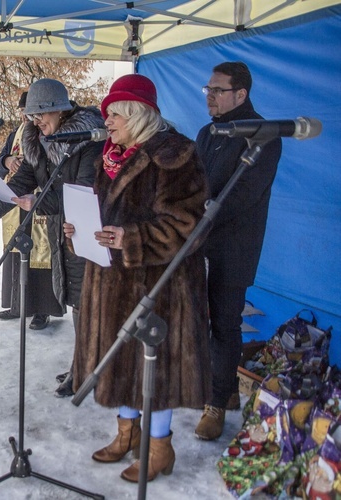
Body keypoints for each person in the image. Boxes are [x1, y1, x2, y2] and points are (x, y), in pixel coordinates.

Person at [65, 74, 211, 482]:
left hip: (158, 286)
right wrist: (81, 228)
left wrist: (133, 237)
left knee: (155, 371)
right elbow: (103, 212)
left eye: (115, 114)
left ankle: (159, 447)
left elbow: (190, 225)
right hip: (112, 280)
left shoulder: (175, 155)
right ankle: (126, 435)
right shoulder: (109, 156)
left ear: (137, 114)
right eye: (107, 114)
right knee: (120, 362)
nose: (107, 121)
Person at [0, 78, 105, 397]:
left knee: (86, 302)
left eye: (40, 116)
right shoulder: (38, 137)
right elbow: (22, 180)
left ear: (60, 110)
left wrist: (38, 202)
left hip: (86, 230)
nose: (35, 122)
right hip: (62, 231)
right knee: (77, 299)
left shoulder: (88, 139)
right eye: (32, 117)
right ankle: (84, 364)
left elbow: (84, 191)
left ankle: (89, 369)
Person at [194, 62, 282, 441]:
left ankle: (216, 405)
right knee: (202, 319)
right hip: (199, 241)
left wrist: (203, 211)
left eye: (217, 89)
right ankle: (225, 389)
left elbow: (244, 196)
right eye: (207, 89)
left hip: (234, 247)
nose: (210, 95)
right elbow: (195, 179)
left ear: (240, 94)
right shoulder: (207, 131)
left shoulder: (263, 135)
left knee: (225, 324)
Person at [0, 91, 64, 330]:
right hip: (18, 203)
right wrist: (6, 162)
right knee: (17, 255)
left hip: (44, 200)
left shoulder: (47, 135)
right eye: (25, 112)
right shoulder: (16, 134)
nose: (28, 117)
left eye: (33, 112)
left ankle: (42, 309)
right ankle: (18, 304)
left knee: (41, 257)